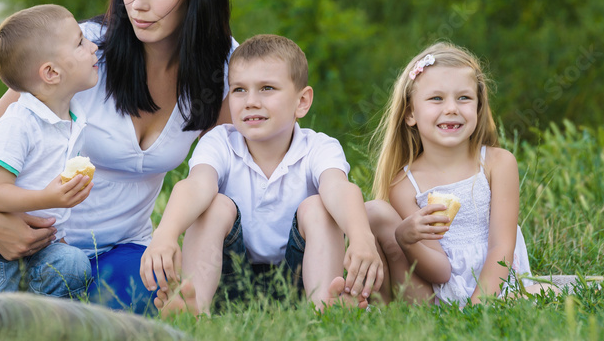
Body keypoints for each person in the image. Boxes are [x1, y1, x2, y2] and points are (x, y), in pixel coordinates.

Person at [0, 0, 235, 313]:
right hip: (36, 246)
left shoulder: (224, 69)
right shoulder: (80, 53)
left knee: (132, 316)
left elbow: (224, 175)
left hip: (123, 248)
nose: (137, 4)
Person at [139, 34, 384, 314]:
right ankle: (195, 303)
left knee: (319, 206)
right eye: (239, 90)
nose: (251, 101)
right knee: (214, 205)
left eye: (267, 88)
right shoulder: (220, 141)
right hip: (228, 278)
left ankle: (327, 305)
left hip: (302, 277)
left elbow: (339, 189)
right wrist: (166, 234)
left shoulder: (319, 147)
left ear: (302, 101)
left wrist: (362, 237)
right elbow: (196, 185)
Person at [365, 42, 553, 307]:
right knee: (376, 212)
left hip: (496, 288)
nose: (452, 108)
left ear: (477, 107)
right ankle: (367, 300)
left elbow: (501, 248)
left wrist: (478, 307)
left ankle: (488, 306)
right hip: (435, 294)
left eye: (464, 98)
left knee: (550, 293)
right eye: (436, 98)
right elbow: (439, 271)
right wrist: (408, 241)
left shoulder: (498, 164)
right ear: (410, 113)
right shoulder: (405, 185)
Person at [0, 4, 97, 297]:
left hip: (38, 250)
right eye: (80, 42)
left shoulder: (72, 119)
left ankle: (39, 315)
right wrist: (49, 197)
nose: (92, 46)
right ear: (51, 73)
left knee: (75, 264)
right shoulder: (16, 124)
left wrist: (59, 236)